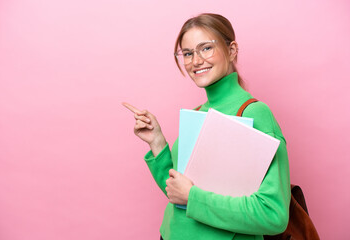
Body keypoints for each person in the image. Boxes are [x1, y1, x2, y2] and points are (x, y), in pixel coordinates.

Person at [123, 13, 291, 240]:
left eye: (206, 48)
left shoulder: (254, 113)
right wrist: (157, 141)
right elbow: (176, 193)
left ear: (232, 50)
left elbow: (273, 215)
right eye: (188, 53)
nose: (196, 61)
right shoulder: (198, 113)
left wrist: (192, 197)